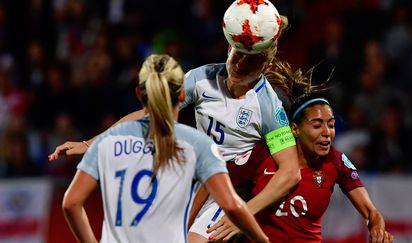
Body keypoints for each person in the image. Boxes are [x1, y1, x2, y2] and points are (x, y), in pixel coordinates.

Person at [50, 1, 301, 242]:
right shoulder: (202, 78)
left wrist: (244, 215)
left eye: (251, 58)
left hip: (228, 191)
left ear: (266, 64)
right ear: (228, 47)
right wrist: (89, 143)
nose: (240, 63)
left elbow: (290, 173)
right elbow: (151, 115)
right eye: (237, 52)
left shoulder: (269, 106)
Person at [61, 54, 270, 243]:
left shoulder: (109, 142)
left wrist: (87, 144)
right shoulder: (199, 145)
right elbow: (230, 205)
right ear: (182, 96)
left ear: (138, 94)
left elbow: (71, 203)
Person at [208, 60, 394, 242]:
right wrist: (234, 215)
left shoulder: (335, 160)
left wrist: (376, 226)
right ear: (295, 129)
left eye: (331, 125)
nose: (327, 133)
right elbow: (217, 178)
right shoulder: (265, 153)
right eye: (317, 125)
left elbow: (371, 212)